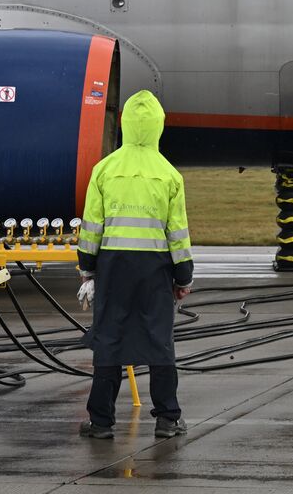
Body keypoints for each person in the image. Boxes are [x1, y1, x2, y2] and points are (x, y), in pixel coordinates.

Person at [75, 90, 194, 440]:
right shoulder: (169, 175)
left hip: (113, 268)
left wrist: (88, 269)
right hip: (155, 270)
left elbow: (90, 228)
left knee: (109, 340)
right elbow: (178, 234)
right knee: (160, 341)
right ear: (158, 126)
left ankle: (100, 422)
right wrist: (183, 276)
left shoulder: (105, 169)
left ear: (125, 124)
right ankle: (168, 419)